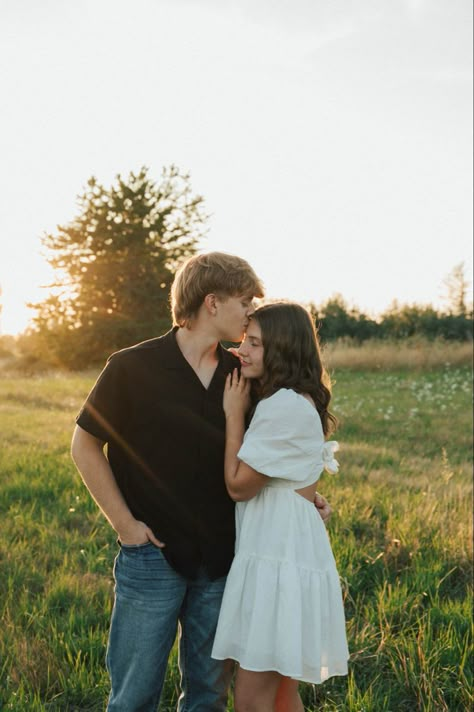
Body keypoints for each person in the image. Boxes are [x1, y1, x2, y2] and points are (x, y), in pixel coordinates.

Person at [71, 252, 332, 712]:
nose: (252, 312)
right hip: (150, 553)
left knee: (208, 695)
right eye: (245, 301)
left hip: (224, 559)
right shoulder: (133, 366)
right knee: (133, 695)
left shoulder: (244, 373)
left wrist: (306, 496)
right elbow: (84, 446)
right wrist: (126, 526)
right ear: (212, 303)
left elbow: (271, 453)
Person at [211, 301, 349, 712]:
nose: (242, 351)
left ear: (283, 348)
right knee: (282, 696)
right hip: (286, 552)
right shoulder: (292, 399)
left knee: (253, 699)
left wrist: (234, 415)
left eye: (254, 343)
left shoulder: (283, 405)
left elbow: (238, 487)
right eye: (243, 340)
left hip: (277, 558)